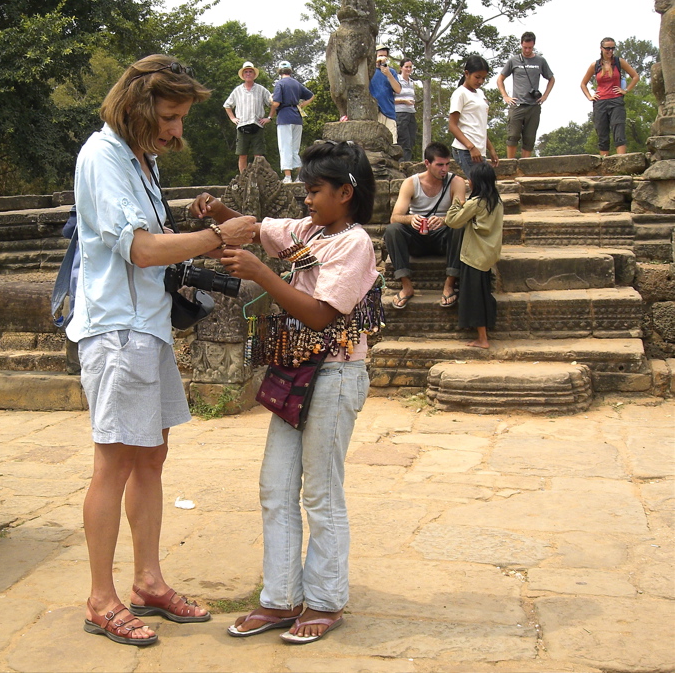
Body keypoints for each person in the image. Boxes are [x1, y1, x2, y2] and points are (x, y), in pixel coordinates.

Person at [70, 54, 256, 647]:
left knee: (150, 457)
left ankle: (149, 580)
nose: (178, 130)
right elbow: (143, 251)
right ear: (138, 109)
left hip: (146, 327)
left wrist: (198, 229)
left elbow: (153, 243)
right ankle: (103, 597)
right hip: (117, 331)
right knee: (115, 460)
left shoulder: (139, 161)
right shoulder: (103, 157)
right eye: (171, 117)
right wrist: (220, 236)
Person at [190, 141, 379, 645]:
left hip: (335, 375)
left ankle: (324, 599)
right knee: (275, 487)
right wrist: (217, 214)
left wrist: (261, 274)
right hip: (295, 370)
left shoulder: (354, 244)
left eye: (315, 191)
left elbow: (320, 314)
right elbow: (253, 229)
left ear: (346, 192)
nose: (307, 200)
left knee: (320, 491)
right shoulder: (308, 231)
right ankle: (280, 597)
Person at [385, 141, 467, 310]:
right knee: (392, 230)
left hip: (443, 237)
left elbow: (461, 215)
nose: (444, 169)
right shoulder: (411, 183)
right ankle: (406, 286)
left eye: (447, 164)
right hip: (417, 238)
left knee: (459, 227)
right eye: (439, 165)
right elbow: (395, 217)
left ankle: (449, 284)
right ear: (427, 164)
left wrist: (444, 220)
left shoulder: (456, 182)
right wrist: (411, 219)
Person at [445, 162, 504, 349]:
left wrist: (456, 202)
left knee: (474, 297)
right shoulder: (497, 201)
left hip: (474, 255)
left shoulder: (476, 203)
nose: (468, 182)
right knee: (484, 294)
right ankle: (483, 335)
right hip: (488, 255)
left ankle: (482, 338)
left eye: (470, 179)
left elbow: (452, 221)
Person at [497, 32, 555, 159]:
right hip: (517, 104)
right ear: (521, 44)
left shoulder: (540, 61)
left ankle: (525, 168)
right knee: (512, 136)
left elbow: (551, 79)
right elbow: (500, 79)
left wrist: (545, 96)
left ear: (534, 45)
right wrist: (505, 96)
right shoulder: (513, 60)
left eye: (530, 47)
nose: (527, 50)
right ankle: (510, 165)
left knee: (529, 139)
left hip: (533, 105)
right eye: (525, 47)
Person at [579, 37, 640, 156]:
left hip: (616, 100)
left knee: (619, 129)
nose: (610, 51)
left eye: (612, 48)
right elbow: (583, 84)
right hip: (600, 101)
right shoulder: (595, 65)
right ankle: (604, 163)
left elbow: (635, 76)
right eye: (607, 48)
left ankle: (621, 161)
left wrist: (625, 90)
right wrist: (590, 96)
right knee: (602, 132)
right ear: (601, 48)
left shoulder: (619, 62)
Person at [449, 55, 500, 178]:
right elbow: (452, 125)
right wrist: (471, 147)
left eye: (483, 78)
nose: (480, 81)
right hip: (466, 149)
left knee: (485, 185)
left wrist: (491, 149)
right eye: (477, 77)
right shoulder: (460, 94)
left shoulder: (480, 94)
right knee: (479, 186)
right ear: (467, 73)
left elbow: (480, 126)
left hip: (479, 149)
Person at [224, 61, 274, 173]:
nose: (248, 74)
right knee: (242, 155)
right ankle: (243, 179)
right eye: (246, 72)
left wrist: (269, 118)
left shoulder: (261, 89)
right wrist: (233, 118)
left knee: (259, 156)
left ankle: (258, 178)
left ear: (254, 74)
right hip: (242, 126)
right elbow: (227, 105)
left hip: (257, 125)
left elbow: (273, 103)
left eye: (250, 72)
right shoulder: (237, 90)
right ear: (242, 75)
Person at [271, 60, 315, 183]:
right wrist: (302, 104)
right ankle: (300, 177)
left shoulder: (280, 84)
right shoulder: (296, 83)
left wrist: (271, 100)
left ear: (279, 71)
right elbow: (311, 95)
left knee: (285, 147)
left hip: (284, 116)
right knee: (295, 149)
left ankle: (287, 176)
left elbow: (276, 103)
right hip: (297, 116)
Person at [368, 44, 401, 143]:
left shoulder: (391, 72)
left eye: (385, 56)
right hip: (374, 112)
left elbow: (398, 90)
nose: (383, 58)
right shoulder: (369, 71)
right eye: (380, 55)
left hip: (389, 112)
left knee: (392, 143)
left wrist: (388, 74)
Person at [394, 58, 417, 162]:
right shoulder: (397, 80)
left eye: (410, 67)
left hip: (411, 113)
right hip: (400, 113)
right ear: (401, 68)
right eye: (406, 67)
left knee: (411, 140)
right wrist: (404, 101)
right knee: (404, 141)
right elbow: (391, 99)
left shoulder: (411, 82)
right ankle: (402, 164)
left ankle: (407, 162)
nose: (408, 69)